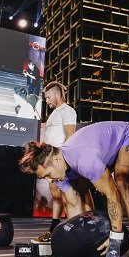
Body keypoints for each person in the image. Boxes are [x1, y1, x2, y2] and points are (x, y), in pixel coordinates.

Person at [19, 121, 129, 257]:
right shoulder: (59, 172)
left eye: (48, 175)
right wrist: (76, 242)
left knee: (122, 180)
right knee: (80, 188)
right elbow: (74, 204)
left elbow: (112, 195)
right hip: (105, 151)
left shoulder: (84, 160)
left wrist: (115, 240)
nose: (50, 181)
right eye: (45, 178)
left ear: (56, 160)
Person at [32, 81, 92, 244]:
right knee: (56, 196)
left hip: (62, 163)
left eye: (48, 97)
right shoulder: (55, 113)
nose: (46, 101)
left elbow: (70, 136)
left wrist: (64, 162)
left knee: (70, 197)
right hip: (52, 162)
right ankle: (54, 230)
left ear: (57, 95)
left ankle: (79, 231)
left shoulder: (67, 111)